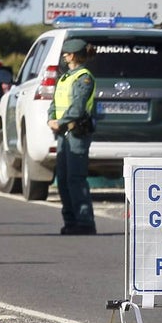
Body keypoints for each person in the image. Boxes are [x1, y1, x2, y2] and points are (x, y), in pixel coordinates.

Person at [48, 38, 98, 235]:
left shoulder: (84, 78)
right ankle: (70, 220)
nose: (64, 56)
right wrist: (51, 119)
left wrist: (59, 122)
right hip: (62, 133)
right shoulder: (65, 77)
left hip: (77, 132)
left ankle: (85, 222)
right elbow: (54, 103)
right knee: (63, 179)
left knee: (75, 178)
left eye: (67, 53)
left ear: (75, 55)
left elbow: (77, 107)